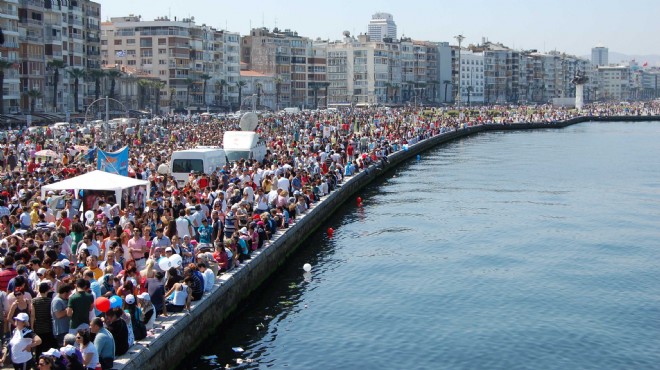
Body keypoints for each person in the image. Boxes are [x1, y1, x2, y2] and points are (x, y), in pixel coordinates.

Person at [32, 282, 57, 358]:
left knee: (38, 346)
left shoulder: (34, 301)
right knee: (47, 346)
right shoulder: (50, 301)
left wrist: (32, 326)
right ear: (47, 290)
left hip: (38, 326)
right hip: (48, 326)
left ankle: (38, 361)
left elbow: (32, 315)